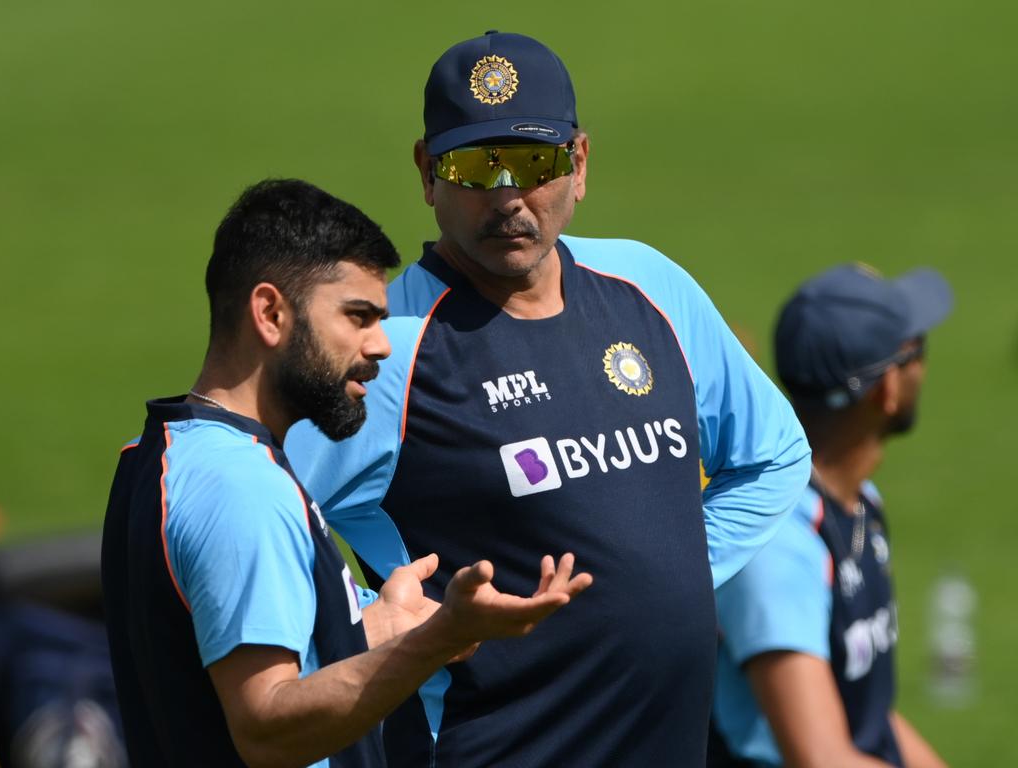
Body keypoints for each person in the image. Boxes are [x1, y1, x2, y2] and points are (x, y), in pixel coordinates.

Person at [285, 31, 811, 766]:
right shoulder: (389, 348)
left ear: (580, 163)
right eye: (475, 166)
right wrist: (361, 641)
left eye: (533, 163)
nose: (506, 195)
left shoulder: (649, 287)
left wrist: (673, 577)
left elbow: (772, 456)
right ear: (428, 172)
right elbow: (256, 519)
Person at [100, 179, 591, 768]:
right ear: (270, 313)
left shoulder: (159, 452)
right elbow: (266, 727)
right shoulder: (243, 489)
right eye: (357, 316)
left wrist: (382, 624)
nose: (382, 345)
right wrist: (440, 640)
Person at [709, 263, 952, 767]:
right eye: (917, 351)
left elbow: (866, 712)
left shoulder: (856, 502)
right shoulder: (776, 544)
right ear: (886, 389)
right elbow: (820, 759)